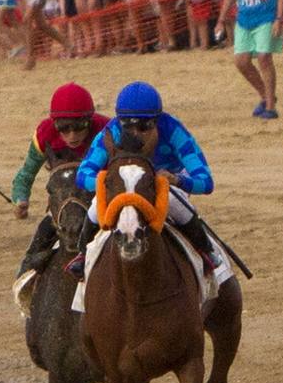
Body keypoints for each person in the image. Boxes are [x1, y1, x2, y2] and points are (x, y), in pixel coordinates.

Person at [68, 82, 221, 278]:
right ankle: (83, 254)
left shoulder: (173, 130)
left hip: (163, 184)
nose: (135, 134)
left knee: (175, 203)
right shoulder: (112, 130)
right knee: (96, 204)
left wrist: (178, 180)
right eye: (128, 126)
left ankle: (204, 250)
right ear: (119, 121)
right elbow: (82, 175)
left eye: (144, 126)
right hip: (124, 186)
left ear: (157, 121)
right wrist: (108, 182)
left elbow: (206, 182)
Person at [13, 83, 111, 277]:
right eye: (64, 128)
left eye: (79, 127)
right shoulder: (44, 134)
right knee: (42, 235)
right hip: (63, 205)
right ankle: (25, 280)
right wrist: (20, 199)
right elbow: (25, 175)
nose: (72, 135)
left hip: (101, 202)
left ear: (90, 121)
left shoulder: (108, 132)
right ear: (55, 125)